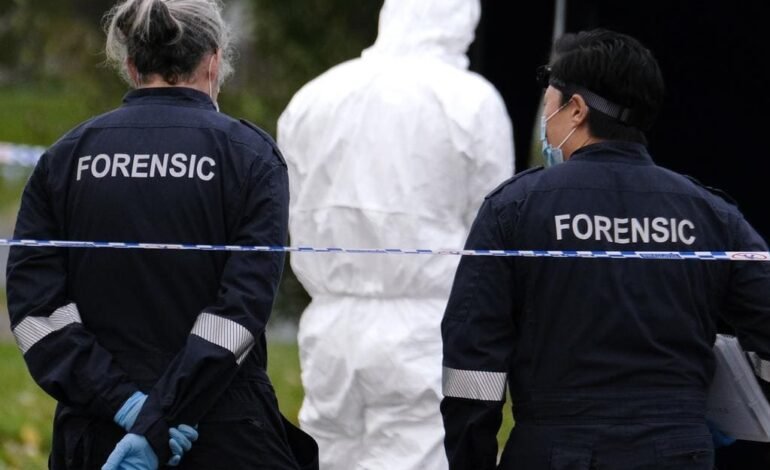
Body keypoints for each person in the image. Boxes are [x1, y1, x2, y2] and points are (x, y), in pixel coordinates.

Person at [5, 0, 317, 468]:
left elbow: (36, 314)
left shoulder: (65, 158)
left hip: (97, 435)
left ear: (130, 65)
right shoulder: (249, 156)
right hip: (221, 432)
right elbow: (240, 311)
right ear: (213, 61)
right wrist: (162, 417)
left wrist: (126, 407)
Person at [441, 29, 770, 470]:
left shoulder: (514, 210)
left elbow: (472, 370)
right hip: (678, 452)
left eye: (548, 96)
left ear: (575, 109)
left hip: (554, 452)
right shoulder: (712, 215)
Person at [277, 0, 515, 468]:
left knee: (327, 453)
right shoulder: (470, 100)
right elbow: (494, 221)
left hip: (330, 321)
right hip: (425, 324)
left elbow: (291, 205)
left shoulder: (314, 97)